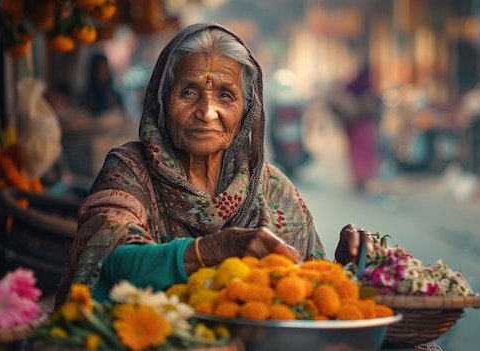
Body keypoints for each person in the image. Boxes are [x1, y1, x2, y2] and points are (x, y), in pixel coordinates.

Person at [54, 23, 374, 307]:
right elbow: (109, 259)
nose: (207, 112)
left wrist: (345, 268)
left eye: (225, 95)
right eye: (189, 92)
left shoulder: (273, 190)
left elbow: (305, 296)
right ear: (161, 103)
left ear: (247, 111)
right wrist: (213, 249)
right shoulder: (129, 171)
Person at [328, 65, 379, 193]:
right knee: (363, 151)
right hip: (361, 123)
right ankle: (362, 177)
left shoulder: (351, 83)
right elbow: (369, 104)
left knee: (356, 151)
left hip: (352, 124)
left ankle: (359, 178)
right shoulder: (365, 84)